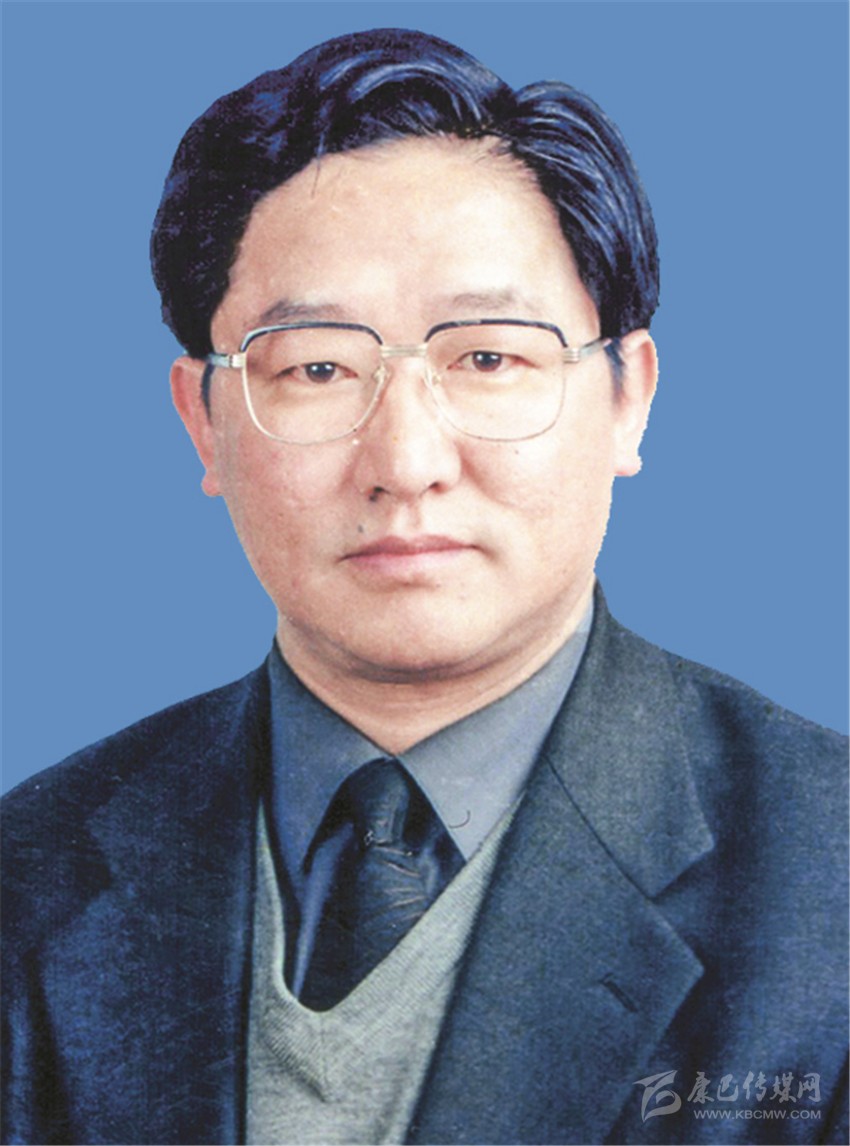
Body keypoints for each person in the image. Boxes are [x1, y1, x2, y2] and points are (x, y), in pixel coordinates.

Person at [2, 27, 846, 1146]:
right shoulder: (29, 870)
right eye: (316, 368)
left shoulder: (826, 879)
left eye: (488, 357)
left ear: (628, 398)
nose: (405, 462)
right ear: (203, 423)